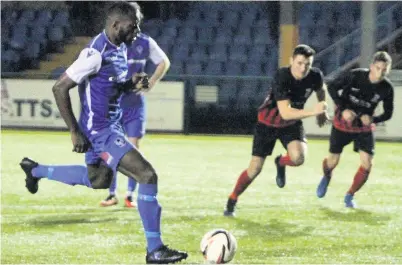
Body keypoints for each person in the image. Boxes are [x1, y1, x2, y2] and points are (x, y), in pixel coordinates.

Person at [19, 2, 187, 263]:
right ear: (115, 25)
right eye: (133, 27)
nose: (137, 31)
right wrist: (74, 131)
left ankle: (35, 170)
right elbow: (60, 87)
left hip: (110, 125)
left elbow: (109, 85)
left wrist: (129, 84)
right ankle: (155, 249)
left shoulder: (119, 47)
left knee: (98, 180)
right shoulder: (94, 54)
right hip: (101, 132)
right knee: (147, 175)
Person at [223, 44, 329, 217]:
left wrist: (322, 109)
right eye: (299, 63)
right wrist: (314, 112)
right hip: (267, 123)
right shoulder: (282, 76)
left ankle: (280, 162)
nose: (303, 68)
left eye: (307, 64)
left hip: (291, 124)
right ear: (291, 61)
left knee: (298, 158)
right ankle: (233, 198)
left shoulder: (315, 75)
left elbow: (321, 90)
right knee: (255, 169)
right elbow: (285, 112)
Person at [100, 2, 171, 208]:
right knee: (113, 150)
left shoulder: (144, 42)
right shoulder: (109, 43)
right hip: (113, 105)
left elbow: (163, 62)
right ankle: (111, 194)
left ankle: (129, 195)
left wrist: (152, 82)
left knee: (133, 148)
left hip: (134, 105)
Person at [316, 51, 394, 208]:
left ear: (388, 70)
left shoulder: (387, 88)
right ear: (371, 67)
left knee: (367, 163)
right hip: (342, 124)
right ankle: (327, 175)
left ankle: (350, 195)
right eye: (378, 68)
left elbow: (388, 113)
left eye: (384, 70)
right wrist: (343, 108)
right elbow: (331, 87)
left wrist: (373, 119)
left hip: (363, 128)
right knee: (333, 161)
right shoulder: (355, 76)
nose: (380, 72)